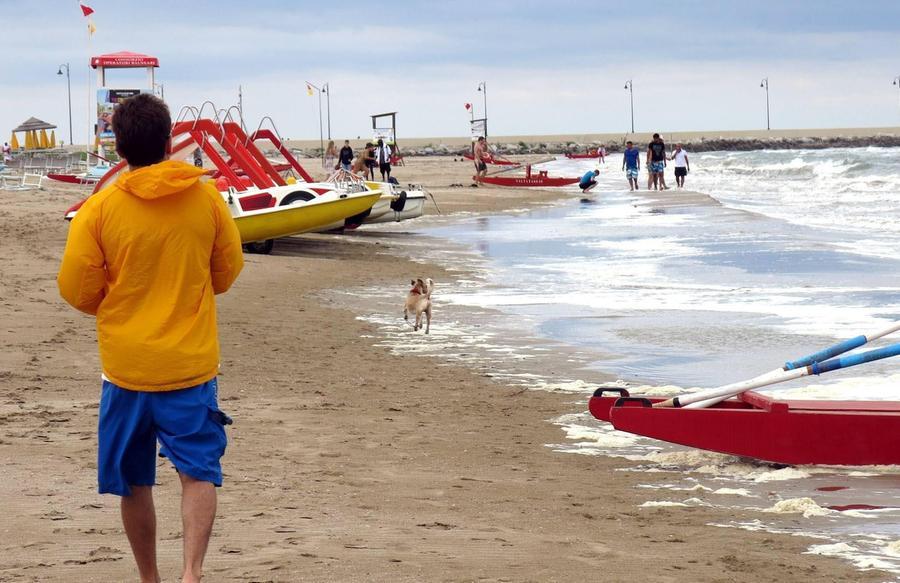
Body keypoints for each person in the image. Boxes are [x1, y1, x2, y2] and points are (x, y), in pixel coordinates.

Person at [57, 93, 244, 583]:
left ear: (119, 146)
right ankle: (191, 572)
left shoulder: (98, 211)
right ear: (168, 142)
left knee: (133, 480)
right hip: (189, 363)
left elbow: (78, 290)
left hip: (127, 367)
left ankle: (150, 578)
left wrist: (122, 306)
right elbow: (226, 271)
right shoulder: (206, 198)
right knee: (197, 471)